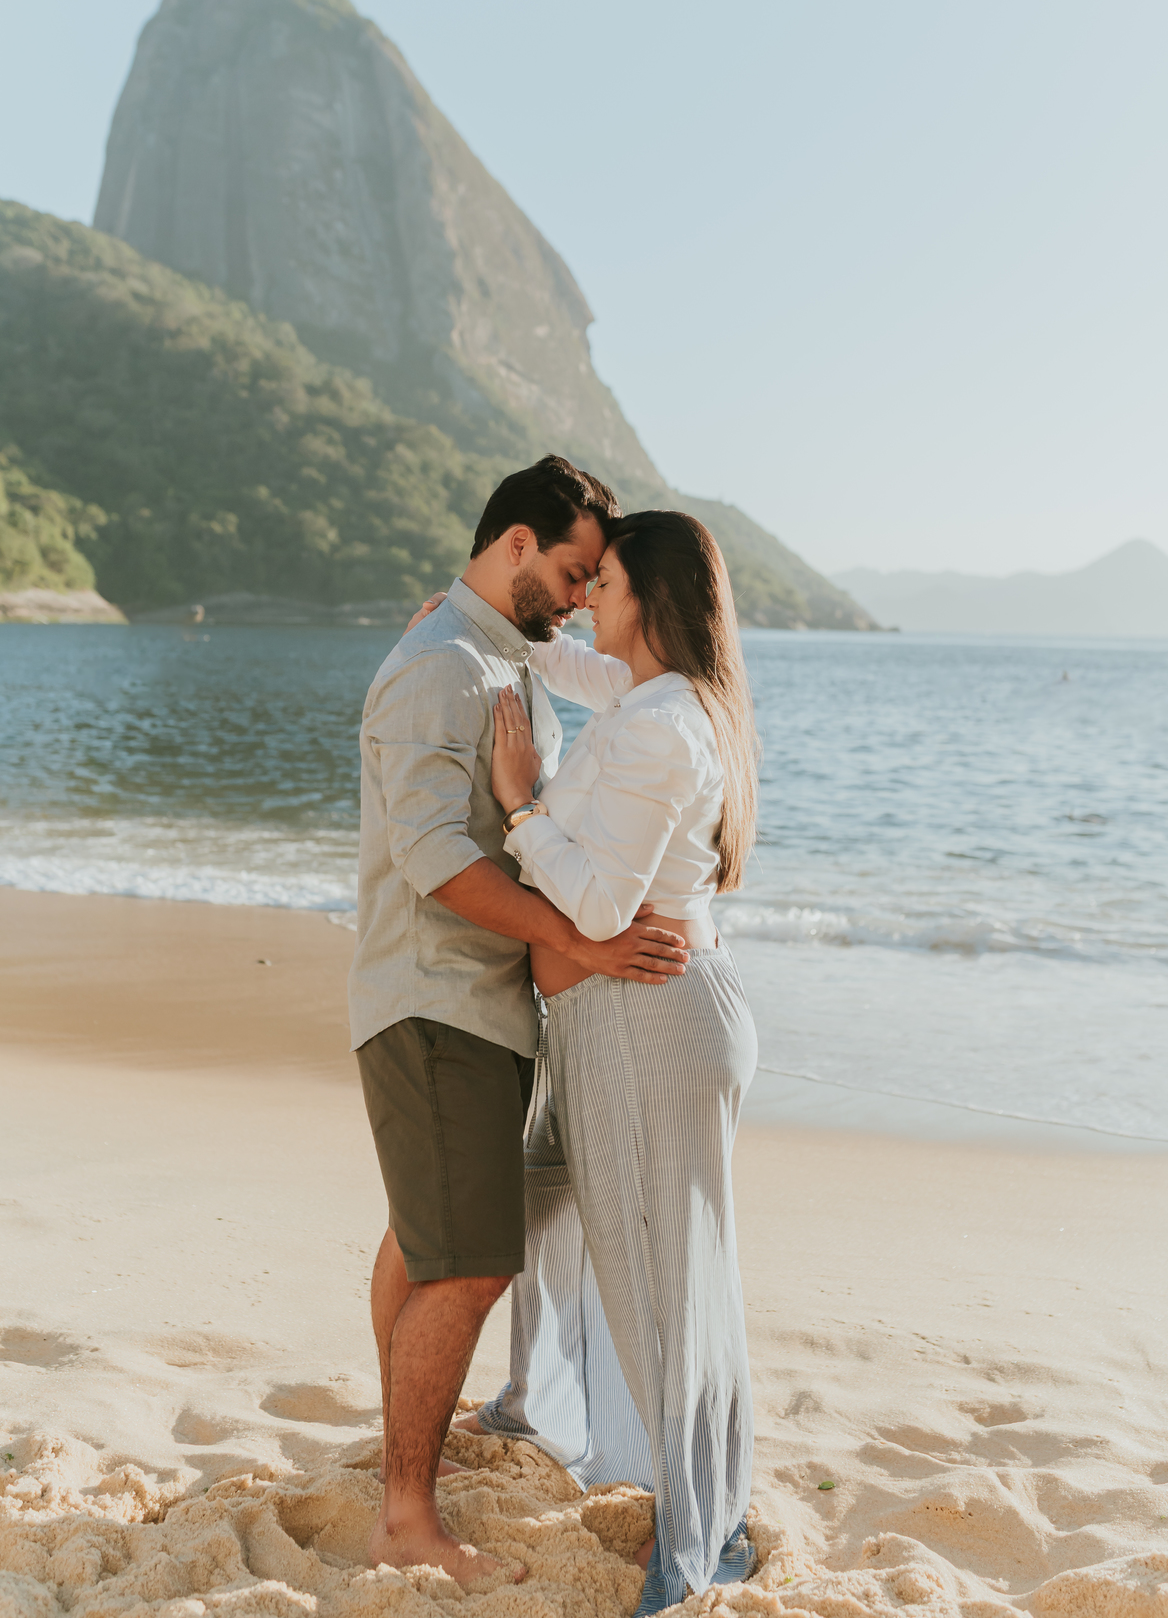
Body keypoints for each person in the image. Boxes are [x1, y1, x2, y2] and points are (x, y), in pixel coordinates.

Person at [349, 456, 692, 1588]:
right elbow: (435, 856)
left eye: (599, 578)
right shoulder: (443, 667)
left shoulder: (497, 655)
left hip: (476, 1005)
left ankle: (408, 1458)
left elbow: (579, 687)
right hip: (436, 998)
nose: (583, 594)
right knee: (469, 1265)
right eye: (572, 569)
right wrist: (591, 947)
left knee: (426, 1237)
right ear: (514, 547)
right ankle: (407, 1513)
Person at [454, 509, 762, 1614]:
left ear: (655, 600)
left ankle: (700, 1540)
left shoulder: (662, 727)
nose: (590, 597)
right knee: (569, 1229)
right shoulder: (653, 701)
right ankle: (545, 1410)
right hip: (622, 1025)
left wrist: (524, 801)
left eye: (608, 581)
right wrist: (496, 622)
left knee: (660, 1289)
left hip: (644, 1025)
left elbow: (593, 901)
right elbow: (574, 664)